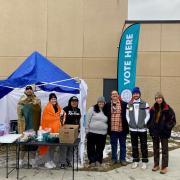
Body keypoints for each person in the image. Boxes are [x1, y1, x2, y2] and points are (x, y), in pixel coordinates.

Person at [148, 92, 176, 174]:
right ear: (155, 99)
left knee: (164, 150)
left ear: (162, 99)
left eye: (160, 98)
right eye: (157, 98)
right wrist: (150, 128)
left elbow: (173, 120)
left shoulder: (167, 108)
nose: (158, 99)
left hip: (164, 132)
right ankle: (156, 165)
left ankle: (164, 167)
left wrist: (167, 128)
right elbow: (149, 120)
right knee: (155, 149)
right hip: (155, 132)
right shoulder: (152, 109)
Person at [17, 85, 41, 167]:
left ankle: (32, 160)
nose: (29, 90)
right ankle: (20, 160)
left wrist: (34, 104)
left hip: (34, 124)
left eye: (30, 89)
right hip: (24, 125)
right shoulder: (21, 99)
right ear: (25, 91)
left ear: (32, 91)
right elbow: (19, 112)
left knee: (33, 143)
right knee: (23, 144)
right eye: (27, 89)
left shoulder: (36, 99)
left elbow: (38, 109)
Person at [126, 87, 150, 170]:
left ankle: (144, 162)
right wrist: (129, 122)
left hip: (142, 129)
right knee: (134, 146)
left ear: (139, 94)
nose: (135, 95)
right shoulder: (129, 104)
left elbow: (148, 115)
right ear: (132, 95)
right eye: (134, 93)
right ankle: (135, 161)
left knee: (144, 146)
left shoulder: (145, 103)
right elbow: (127, 115)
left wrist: (144, 122)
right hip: (133, 129)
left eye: (137, 93)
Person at [104, 90, 129, 166]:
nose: (114, 95)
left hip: (122, 129)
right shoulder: (107, 105)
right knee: (113, 145)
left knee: (123, 145)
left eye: (116, 94)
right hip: (112, 129)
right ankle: (114, 159)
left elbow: (128, 115)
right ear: (111, 96)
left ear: (118, 95)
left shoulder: (124, 104)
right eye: (112, 94)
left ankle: (123, 159)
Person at [39, 93, 62, 169]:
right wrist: (57, 119)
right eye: (52, 99)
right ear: (49, 100)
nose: (54, 100)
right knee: (48, 146)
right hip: (49, 131)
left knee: (53, 146)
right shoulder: (47, 108)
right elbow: (46, 119)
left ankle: (51, 160)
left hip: (56, 130)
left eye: (55, 99)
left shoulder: (58, 107)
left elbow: (61, 117)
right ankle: (46, 161)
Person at [59, 96, 81, 169]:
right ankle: (62, 162)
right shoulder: (65, 109)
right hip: (66, 131)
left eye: (76, 101)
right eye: (73, 101)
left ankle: (69, 161)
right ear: (70, 102)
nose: (74, 102)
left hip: (74, 132)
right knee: (64, 147)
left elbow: (79, 120)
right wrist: (63, 128)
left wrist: (79, 129)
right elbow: (61, 119)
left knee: (71, 148)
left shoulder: (78, 110)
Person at [86, 96, 108, 167]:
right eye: (99, 102)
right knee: (91, 147)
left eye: (102, 102)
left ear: (104, 102)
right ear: (97, 102)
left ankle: (98, 160)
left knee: (100, 147)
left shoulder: (106, 110)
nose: (101, 103)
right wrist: (87, 129)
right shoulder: (92, 109)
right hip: (92, 132)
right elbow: (87, 120)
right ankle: (92, 160)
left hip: (102, 133)